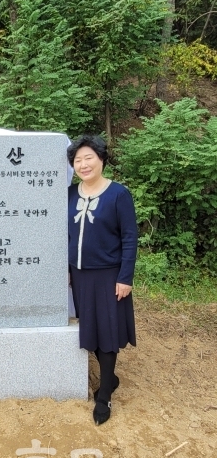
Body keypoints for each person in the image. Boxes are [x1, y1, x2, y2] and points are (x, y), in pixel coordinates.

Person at [67, 135, 137, 425]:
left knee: (108, 334)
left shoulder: (118, 194)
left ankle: (104, 393)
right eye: (77, 160)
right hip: (79, 276)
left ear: (101, 160)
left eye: (88, 158)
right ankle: (111, 377)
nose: (83, 164)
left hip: (109, 275)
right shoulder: (70, 194)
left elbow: (130, 238)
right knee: (91, 330)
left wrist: (125, 276)